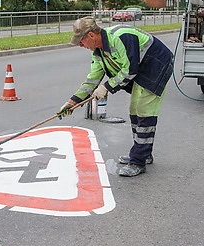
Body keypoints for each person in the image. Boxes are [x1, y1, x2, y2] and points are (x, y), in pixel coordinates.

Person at [57, 16, 173, 177]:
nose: (80, 45)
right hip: (141, 70)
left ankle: (138, 161)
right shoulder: (98, 52)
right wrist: (72, 102)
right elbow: (92, 80)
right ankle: (143, 153)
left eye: (81, 41)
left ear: (91, 35)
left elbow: (130, 70)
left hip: (156, 66)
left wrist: (106, 87)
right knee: (134, 110)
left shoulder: (122, 37)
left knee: (144, 111)